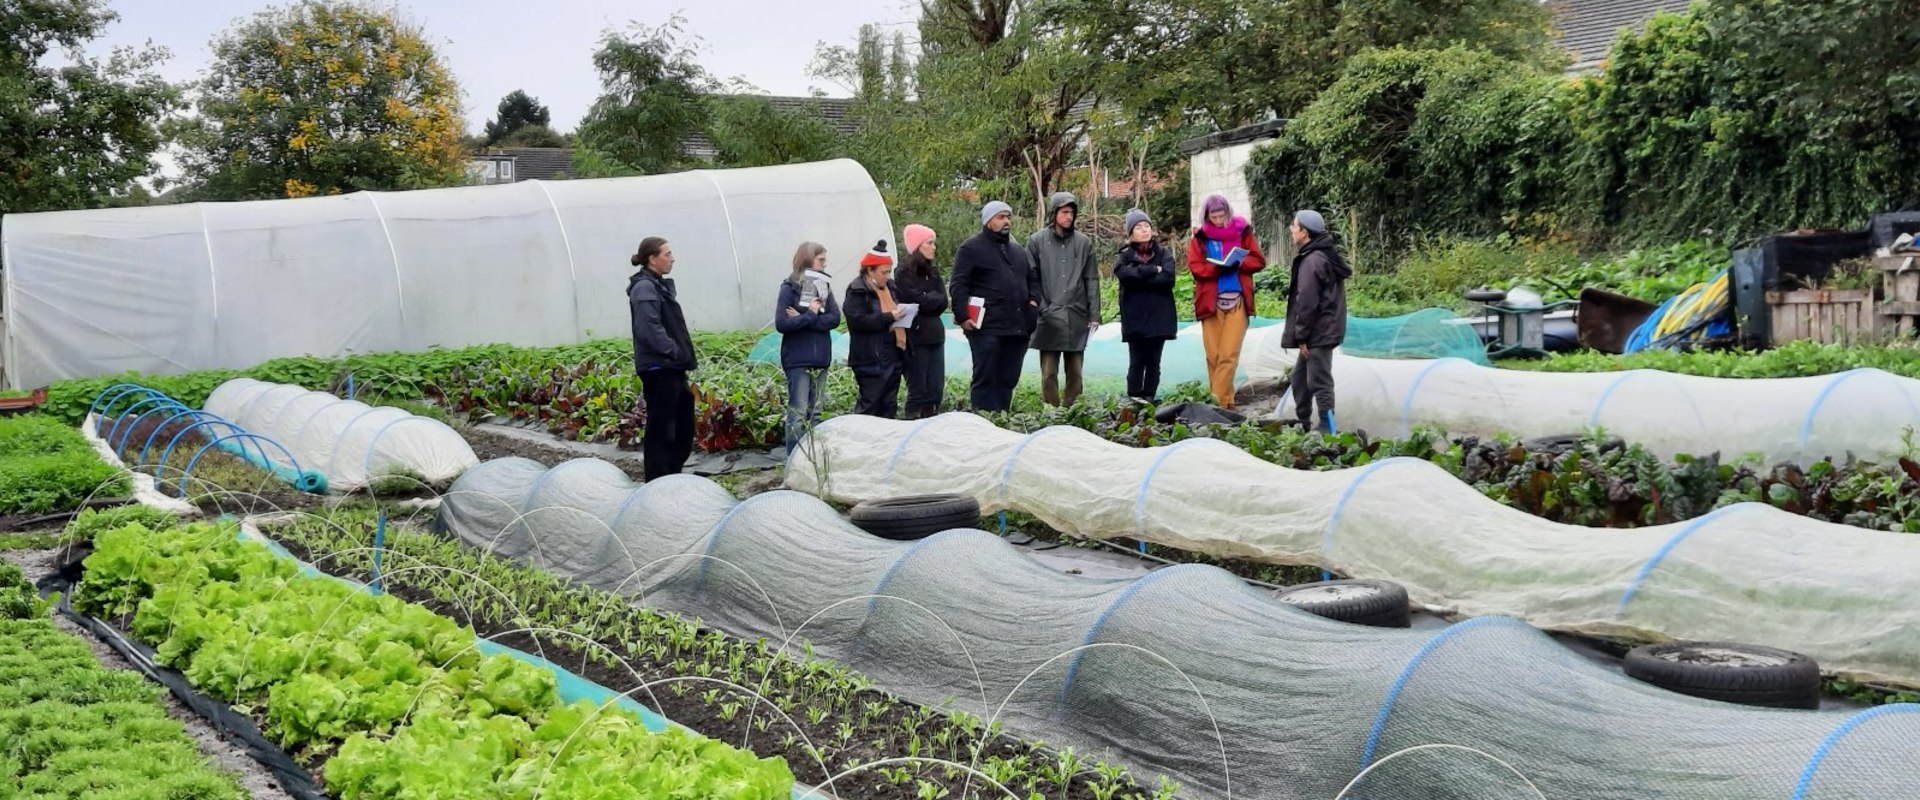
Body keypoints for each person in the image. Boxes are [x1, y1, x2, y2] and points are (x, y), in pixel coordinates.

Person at [949, 201, 1041, 412]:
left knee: (1008, 379)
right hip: (986, 328)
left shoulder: (1018, 251)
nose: (1006, 221)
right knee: (986, 378)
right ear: (988, 221)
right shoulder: (971, 248)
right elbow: (959, 284)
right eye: (1000, 217)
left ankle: (1001, 420)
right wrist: (963, 316)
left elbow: (1033, 279)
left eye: (1008, 216)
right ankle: (982, 424)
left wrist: (1033, 304)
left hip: (1017, 328)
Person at [1186, 194, 1268, 409]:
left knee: (1228, 355)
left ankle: (1216, 404)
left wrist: (1238, 263)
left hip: (1237, 301)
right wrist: (1218, 267)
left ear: (1228, 213)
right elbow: (1196, 268)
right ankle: (1226, 401)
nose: (1218, 220)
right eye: (1214, 216)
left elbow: (1259, 260)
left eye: (1222, 215)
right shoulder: (1200, 238)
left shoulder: (1242, 231)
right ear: (1206, 216)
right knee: (1213, 356)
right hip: (1210, 303)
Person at [626, 236, 697, 480]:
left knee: (681, 425)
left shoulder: (656, 285)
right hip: (659, 368)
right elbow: (649, 329)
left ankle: (671, 477)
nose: (672, 258)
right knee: (662, 430)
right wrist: (674, 351)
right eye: (667, 254)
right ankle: (658, 482)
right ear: (652, 259)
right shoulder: (644, 287)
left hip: (670, 367)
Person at [1025, 191, 1100, 406]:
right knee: (1049, 373)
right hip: (1048, 314)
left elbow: (1091, 279)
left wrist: (1094, 313)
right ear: (1054, 213)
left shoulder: (1083, 243)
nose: (1069, 217)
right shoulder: (1037, 241)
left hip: (1076, 314)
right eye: (1065, 212)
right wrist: (1041, 306)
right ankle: (1052, 411)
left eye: (1072, 213)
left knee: (1075, 371)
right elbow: (1031, 277)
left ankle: (1072, 411)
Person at [1282, 209, 1351, 433]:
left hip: (1319, 331)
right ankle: (1303, 423)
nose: (1291, 230)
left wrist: (1302, 336)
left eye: (1294, 226)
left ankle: (1327, 428)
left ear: (1304, 232)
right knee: (1299, 378)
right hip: (1321, 328)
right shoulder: (1321, 255)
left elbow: (1307, 302)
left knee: (1320, 381)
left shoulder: (1312, 261)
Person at [775, 241, 840, 453]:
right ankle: (794, 461)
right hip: (798, 360)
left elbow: (834, 318)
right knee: (798, 413)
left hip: (820, 358)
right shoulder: (789, 289)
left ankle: (815, 460)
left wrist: (804, 318)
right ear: (807, 260)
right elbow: (782, 324)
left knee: (816, 413)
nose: (824, 265)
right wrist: (811, 314)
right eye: (821, 260)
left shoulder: (823, 288)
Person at [1113, 208, 1177, 401]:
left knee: (1153, 362)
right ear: (1131, 232)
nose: (1144, 230)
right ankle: (1134, 400)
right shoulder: (1124, 256)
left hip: (1159, 318)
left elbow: (1167, 279)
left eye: (1146, 226)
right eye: (1139, 227)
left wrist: (1140, 275)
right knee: (1136, 362)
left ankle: (1149, 399)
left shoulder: (1164, 253)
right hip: (1135, 319)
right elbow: (1124, 274)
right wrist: (1151, 270)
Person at [844, 240, 907, 418]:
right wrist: (889, 317)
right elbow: (857, 321)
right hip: (870, 358)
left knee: (889, 404)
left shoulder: (891, 287)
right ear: (870, 270)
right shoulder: (857, 290)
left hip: (892, 353)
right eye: (883, 272)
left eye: (889, 271)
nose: (887, 276)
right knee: (870, 404)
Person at [892, 224, 950, 419]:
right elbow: (914, 300)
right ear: (917, 246)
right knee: (918, 387)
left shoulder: (932, 272)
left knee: (935, 388)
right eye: (930, 243)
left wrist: (926, 298)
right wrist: (928, 298)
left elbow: (943, 300)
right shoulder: (903, 273)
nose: (934, 247)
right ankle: (912, 421)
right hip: (916, 337)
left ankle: (931, 419)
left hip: (935, 335)